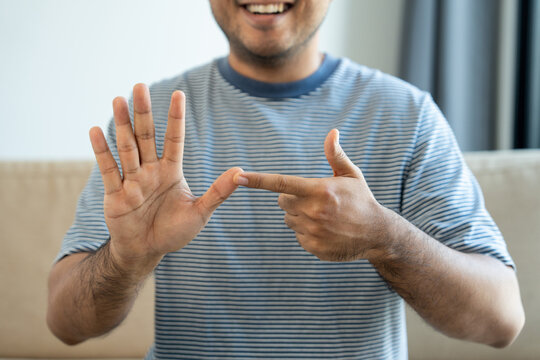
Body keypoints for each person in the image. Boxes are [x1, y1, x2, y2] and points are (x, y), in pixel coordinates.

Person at [47, 1, 525, 359]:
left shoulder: (408, 115)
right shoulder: (150, 120)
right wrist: (128, 257)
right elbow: (65, 323)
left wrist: (386, 238)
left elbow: (501, 320)